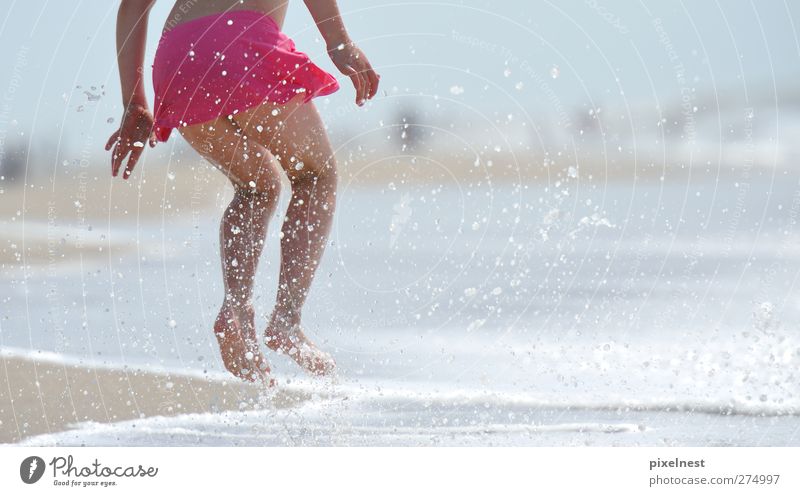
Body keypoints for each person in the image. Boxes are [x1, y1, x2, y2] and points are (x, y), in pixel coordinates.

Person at [105, 0, 379, 386]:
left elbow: (133, 7)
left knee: (256, 187)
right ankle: (285, 320)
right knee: (315, 176)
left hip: (179, 59)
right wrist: (338, 41)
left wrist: (133, 102)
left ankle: (236, 308)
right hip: (244, 42)